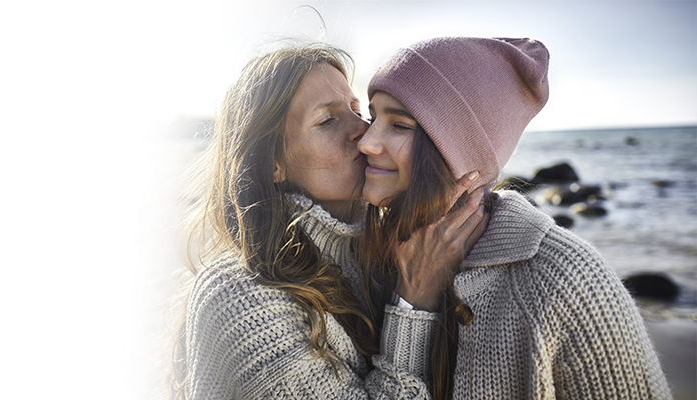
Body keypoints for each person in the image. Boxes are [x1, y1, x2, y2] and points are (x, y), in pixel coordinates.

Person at [158, 42, 487, 399]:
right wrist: (413, 302)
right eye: (327, 120)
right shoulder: (240, 298)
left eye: (358, 111)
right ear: (272, 164)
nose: (366, 132)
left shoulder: (394, 255)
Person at [357, 36, 672, 399]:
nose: (366, 141)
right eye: (373, 116)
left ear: (459, 154)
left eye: (399, 125)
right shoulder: (371, 256)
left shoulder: (568, 279)